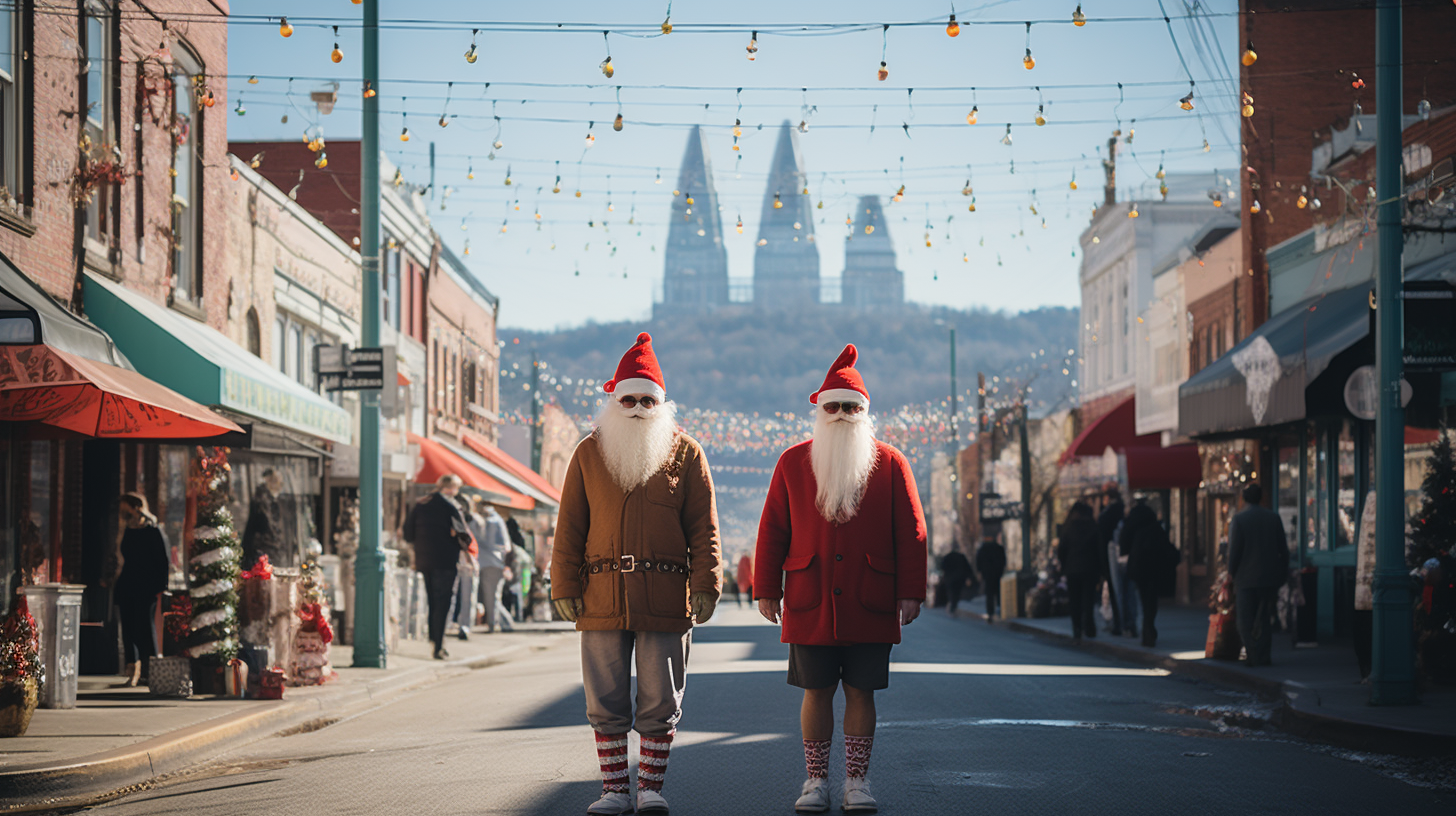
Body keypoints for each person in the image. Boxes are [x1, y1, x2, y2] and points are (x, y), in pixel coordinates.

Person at [549, 332, 723, 816]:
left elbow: (703, 527)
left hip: (667, 595)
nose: (639, 407)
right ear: (613, 399)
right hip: (600, 592)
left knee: (660, 699)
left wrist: (707, 583)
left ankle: (649, 789)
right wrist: (562, 583)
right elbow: (570, 525)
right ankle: (614, 791)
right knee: (604, 699)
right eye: (630, 398)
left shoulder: (686, 453)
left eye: (649, 399)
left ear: (662, 404)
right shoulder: (588, 451)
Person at [755, 344, 928, 815]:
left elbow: (911, 530)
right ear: (818, 410)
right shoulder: (792, 462)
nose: (842, 414)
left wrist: (912, 590)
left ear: (865, 412)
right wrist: (766, 587)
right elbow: (773, 526)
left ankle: (857, 781)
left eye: (852, 407)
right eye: (832, 406)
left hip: (870, 597)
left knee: (861, 691)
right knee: (816, 691)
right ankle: (815, 781)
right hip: (810, 597)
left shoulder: (891, 463)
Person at [402, 474, 473, 660]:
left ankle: (434, 638)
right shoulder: (451, 507)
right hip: (445, 561)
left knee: (432, 600)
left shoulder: (420, 505)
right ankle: (438, 645)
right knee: (443, 602)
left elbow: (408, 533)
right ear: (451, 488)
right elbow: (464, 535)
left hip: (424, 561)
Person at [109, 493, 170, 686]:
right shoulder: (127, 530)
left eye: (125, 508)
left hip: (147, 587)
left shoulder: (153, 531)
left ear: (135, 507)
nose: (122, 512)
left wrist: (160, 587)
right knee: (128, 628)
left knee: (145, 627)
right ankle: (132, 672)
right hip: (127, 584)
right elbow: (121, 556)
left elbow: (162, 561)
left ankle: (150, 672)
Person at [1227, 483, 1289, 667]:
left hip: (1246, 578)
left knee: (1245, 620)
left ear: (1244, 498)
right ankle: (1263, 655)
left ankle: (1253, 654)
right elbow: (1283, 550)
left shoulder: (1239, 519)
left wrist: (1231, 573)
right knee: (1264, 618)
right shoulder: (1273, 518)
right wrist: (1281, 574)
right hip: (1269, 578)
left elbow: (1235, 551)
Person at [1122, 501, 1181, 648]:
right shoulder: (1154, 528)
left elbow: (1124, 545)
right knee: (1151, 600)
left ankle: (1146, 629)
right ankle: (1148, 628)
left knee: (1142, 598)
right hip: (1154, 568)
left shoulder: (1132, 527)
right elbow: (1166, 547)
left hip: (1138, 567)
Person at [1058, 501, 1102, 641]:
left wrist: (1064, 567)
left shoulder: (1068, 528)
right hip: (1090, 569)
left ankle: (1077, 627)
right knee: (1088, 600)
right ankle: (1089, 626)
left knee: (1075, 600)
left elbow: (1062, 550)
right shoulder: (1093, 527)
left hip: (1072, 570)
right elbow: (1099, 550)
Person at [472, 499, 512, 633]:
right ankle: (504, 623)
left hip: (490, 562)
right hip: (495, 563)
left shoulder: (490, 522)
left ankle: (496, 624)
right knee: (494, 597)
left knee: (492, 597)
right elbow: (506, 547)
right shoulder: (498, 520)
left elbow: (486, 541)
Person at [448, 495, 481, 641]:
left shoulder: (472, 521)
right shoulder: (460, 520)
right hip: (462, 559)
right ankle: (456, 625)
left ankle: (461, 625)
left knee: (462, 595)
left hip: (465, 559)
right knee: (458, 595)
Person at [1096, 486, 1128, 636]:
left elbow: (1101, 535)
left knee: (1116, 592)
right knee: (1126, 592)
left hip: (1112, 556)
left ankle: (1119, 623)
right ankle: (1126, 622)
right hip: (1126, 557)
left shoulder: (1108, 514)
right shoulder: (1123, 512)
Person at [241, 469, 287, 568]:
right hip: (263, 549)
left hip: (267, 548)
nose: (280, 486)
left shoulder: (270, 499)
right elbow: (266, 524)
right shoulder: (262, 499)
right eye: (278, 482)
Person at [975, 533, 1007, 621]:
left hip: (987, 574)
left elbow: (978, 561)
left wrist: (980, 572)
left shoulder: (982, 549)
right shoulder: (999, 548)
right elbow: (1003, 561)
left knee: (989, 593)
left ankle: (990, 612)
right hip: (997, 573)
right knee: (998, 591)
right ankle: (999, 609)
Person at [940, 546, 972, 615]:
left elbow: (942, 566)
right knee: (957, 592)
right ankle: (954, 604)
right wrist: (968, 577)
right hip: (959, 578)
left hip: (950, 578)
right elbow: (967, 567)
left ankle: (951, 602)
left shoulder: (947, 557)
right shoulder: (961, 557)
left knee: (951, 591)